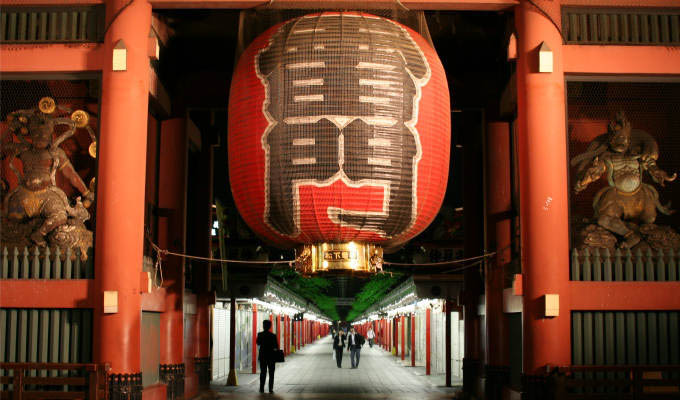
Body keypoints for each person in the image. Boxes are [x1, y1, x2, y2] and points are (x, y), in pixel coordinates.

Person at [256, 320, 278, 393]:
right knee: (271, 373)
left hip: (263, 356)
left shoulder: (260, 334)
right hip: (271, 356)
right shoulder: (273, 335)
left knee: (263, 373)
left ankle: (261, 388)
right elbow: (276, 346)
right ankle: (270, 389)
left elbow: (258, 343)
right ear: (270, 326)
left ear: (263, 326)